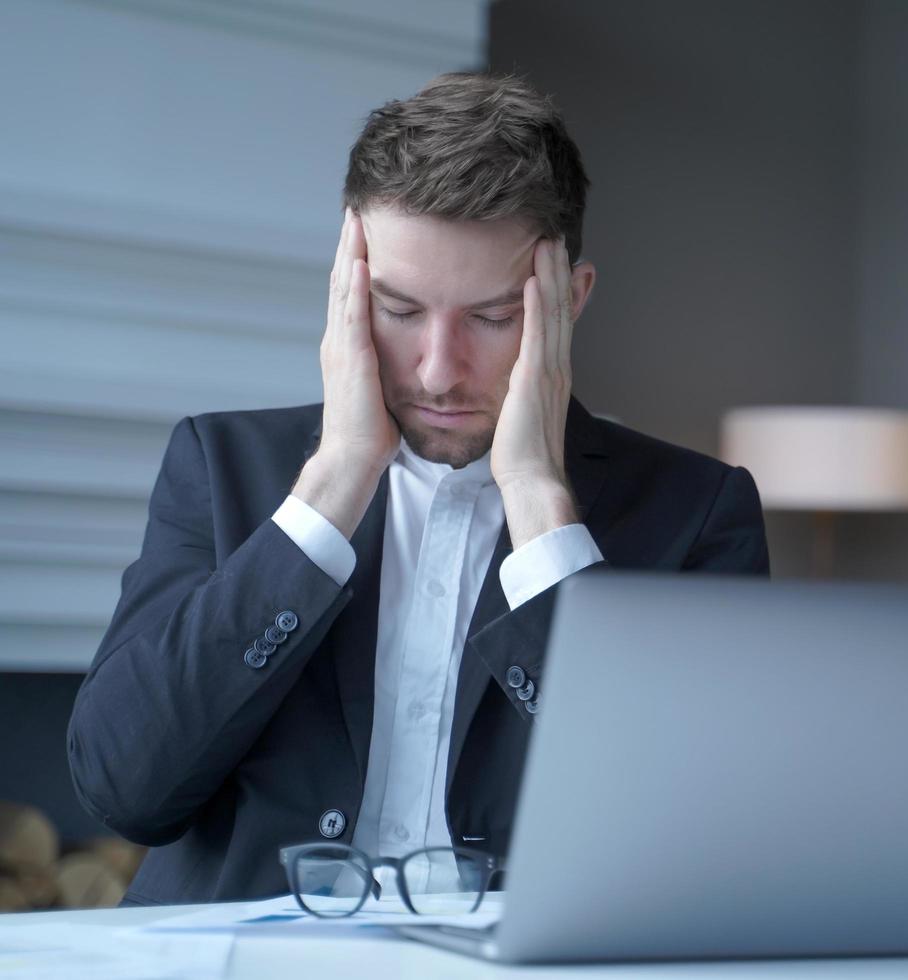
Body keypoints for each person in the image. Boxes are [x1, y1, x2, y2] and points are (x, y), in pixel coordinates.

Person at [67, 72, 769, 906]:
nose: (439, 370)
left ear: (568, 303)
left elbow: (701, 834)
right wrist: (333, 481)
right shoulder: (219, 464)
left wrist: (541, 503)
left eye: (493, 317)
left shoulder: (699, 512)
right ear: (347, 292)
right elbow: (124, 789)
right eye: (399, 311)